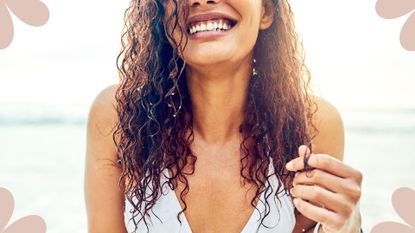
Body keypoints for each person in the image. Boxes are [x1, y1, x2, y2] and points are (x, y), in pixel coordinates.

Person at [84, 0, 363, 232]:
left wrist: (348, 227)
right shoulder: (120, 118)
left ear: (266, 11)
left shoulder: (311, 125)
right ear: (161, 14)